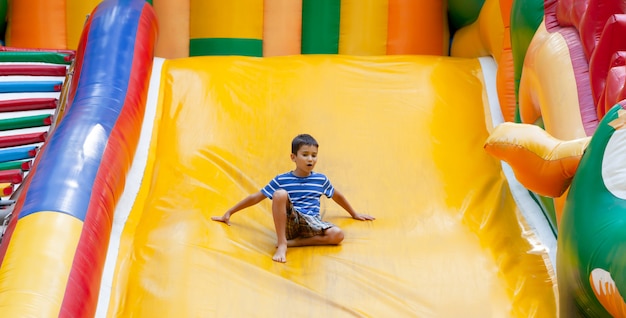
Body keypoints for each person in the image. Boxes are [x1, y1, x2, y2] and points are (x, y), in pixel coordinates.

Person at [212, 133, 375, 263]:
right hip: (291, 221)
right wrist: (229, 212)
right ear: (293, 157)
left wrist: (354, 213)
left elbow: (337, 195)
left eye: (314, 155)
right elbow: (256, 197)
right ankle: (282, 243)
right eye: (305, 155)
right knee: (280, 193)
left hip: (311, 223)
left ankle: (293, 244)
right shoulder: (282, 179)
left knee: (338, 235)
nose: (310, 159)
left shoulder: (320, 179)